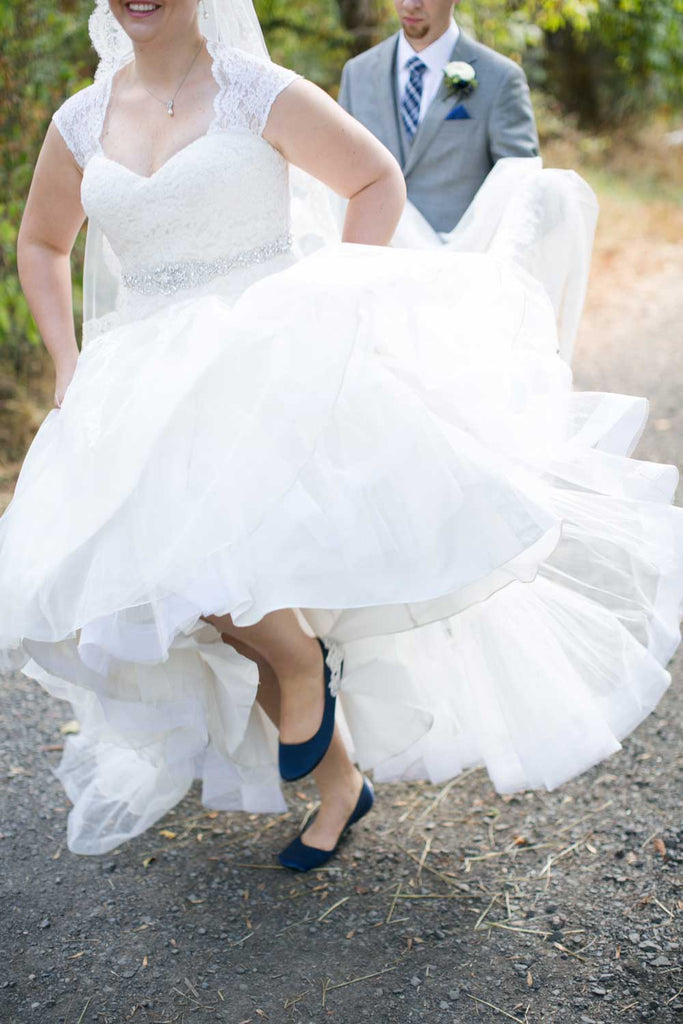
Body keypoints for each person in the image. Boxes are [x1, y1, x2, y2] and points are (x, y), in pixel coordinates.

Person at [2, 0, 682, 870]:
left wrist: (336, 307)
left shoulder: (255, 90)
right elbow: (41, 242)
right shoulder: (80, 118)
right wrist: (65, 362)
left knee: (220, 578)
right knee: (185, 590)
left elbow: (374, 182)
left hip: (265, 369)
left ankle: (306, 697)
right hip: (141, 386)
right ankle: (329, 748)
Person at [338, 0, 539, 234]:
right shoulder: (357, 73)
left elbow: (521, 188)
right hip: (375, 255)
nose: (410, 4)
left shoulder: (501, 78)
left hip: (459, 259)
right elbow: (341, 176)